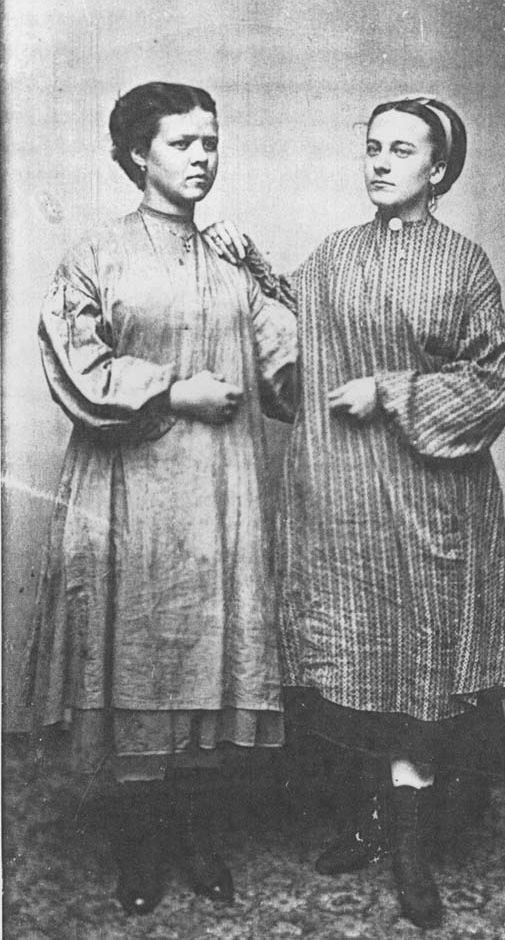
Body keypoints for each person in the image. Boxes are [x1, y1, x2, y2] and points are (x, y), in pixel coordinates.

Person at [213, 94, 505, 930]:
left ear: (438, 169)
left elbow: (491, 381)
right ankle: (367, 820)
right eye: (372, 147)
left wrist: (392, 389)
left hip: (428, 502)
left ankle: (413, 853)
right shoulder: (333, 254)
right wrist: (250, 272)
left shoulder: (463, 265)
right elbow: (297, 336)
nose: (381, 162)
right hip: (344, 502)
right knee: (357, 665)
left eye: (401, 150)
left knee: (416, 673)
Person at [23, 81, 297, 916]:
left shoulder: (228, 255)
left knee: (209, 651)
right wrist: (173, 392)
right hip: (132, 489)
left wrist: (257, 268)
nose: (203, 158)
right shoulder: (97, 254)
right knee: (141, 647)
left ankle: (195, 834)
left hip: (222, 490)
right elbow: (73, 358)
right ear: (140, 153)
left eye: (211, 142)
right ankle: (139, 850)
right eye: (184, 143)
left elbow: (288, 363)